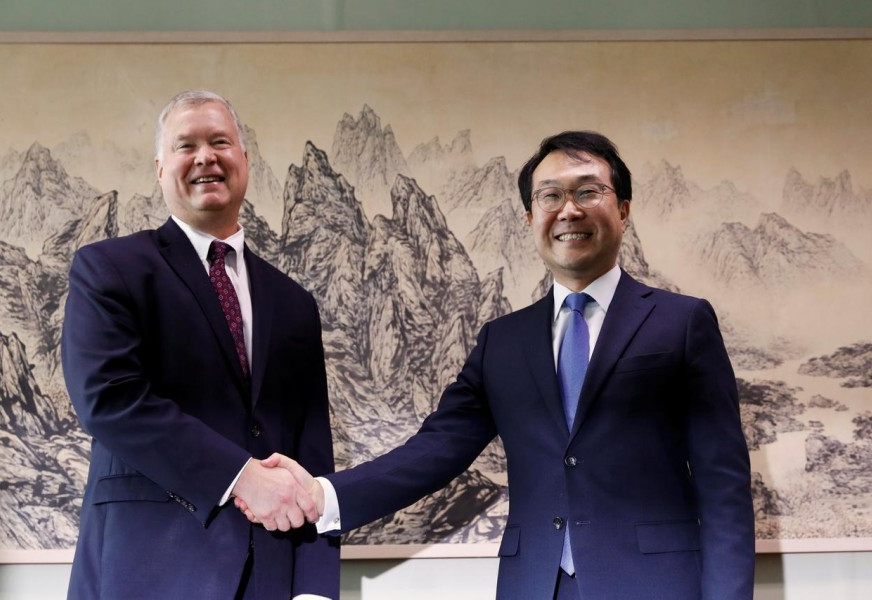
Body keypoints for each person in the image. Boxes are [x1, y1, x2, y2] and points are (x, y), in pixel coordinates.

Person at [250, 131, 755, 599]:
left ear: (623, 210)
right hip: (533, 585)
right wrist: (322, 495)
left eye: (588, 192)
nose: (568, 210)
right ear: (529, 218)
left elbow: (724, 487)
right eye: (550, 195)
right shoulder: (503, 341)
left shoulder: (682, 322)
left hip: (657, 586)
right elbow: (435, 450)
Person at [62, 90, 338, 600]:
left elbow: (312, 458)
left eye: (220, 141)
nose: (205, 156)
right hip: (146, 572)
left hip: (273, 581)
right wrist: (242, 477)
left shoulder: (295, 303)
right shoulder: (109, 269)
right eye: (185, 145)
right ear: (160, 168)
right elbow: (110, 401)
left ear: (245, 161)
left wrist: (317, 588)